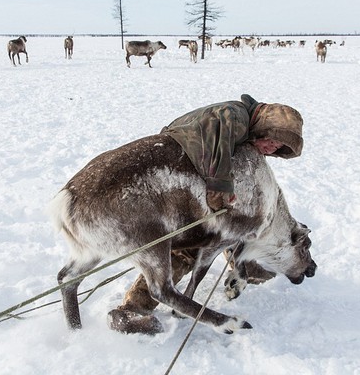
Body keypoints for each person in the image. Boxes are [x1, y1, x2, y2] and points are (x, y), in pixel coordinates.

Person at [108, 94, 304, 334]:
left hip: (185, 175)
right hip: (178, 178)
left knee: (228, 220)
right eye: (272, 141)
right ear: (265, 127)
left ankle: (242, 264)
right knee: (189, 248)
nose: (271, 150)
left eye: (276, 149)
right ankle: (136, 306)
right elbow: (215, 142)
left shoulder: (243, 126)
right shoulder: (236, 118)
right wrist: (219, 188)